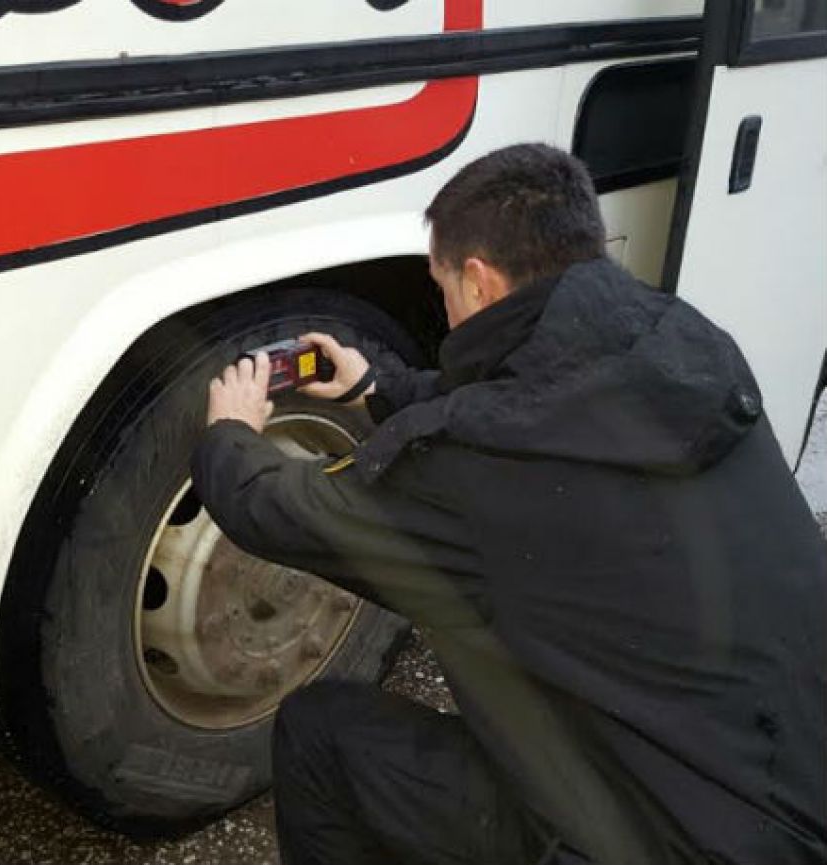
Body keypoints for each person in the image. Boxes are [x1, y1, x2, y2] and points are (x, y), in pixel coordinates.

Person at [191, 143, 827, 864]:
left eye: (441, 288)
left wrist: (230, 436)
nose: (445, 306)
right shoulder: (681, 348)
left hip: (666, 842)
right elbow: (538, 399)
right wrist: (383, 388)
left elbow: (280, 510)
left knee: (318, 732)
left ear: (479, 281)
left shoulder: (485, 471)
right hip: (793, 790)